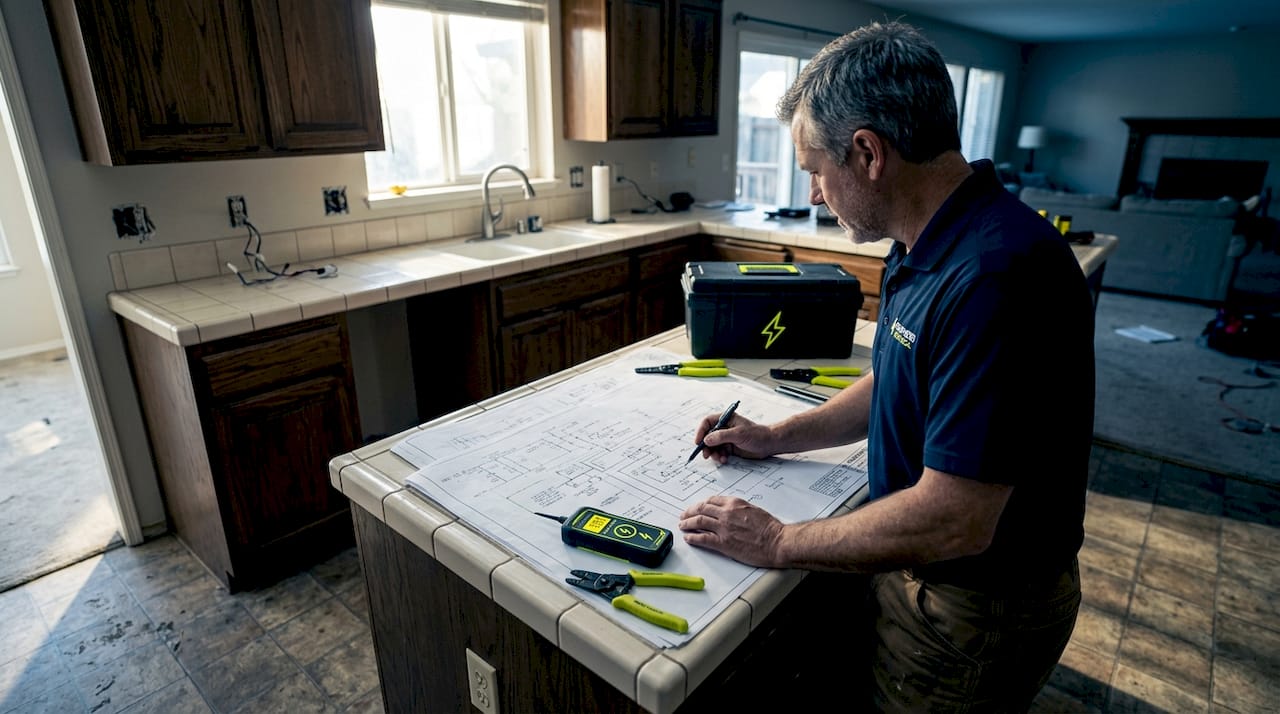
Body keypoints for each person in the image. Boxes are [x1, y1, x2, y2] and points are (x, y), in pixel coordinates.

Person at [677, 21, 1095, 712]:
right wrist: (778, 437)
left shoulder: (996, 277)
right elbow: (900, 377)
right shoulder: (925, 235)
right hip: (921, 573)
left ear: (869, 152)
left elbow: (956, 519)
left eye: (816, 169)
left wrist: (779, 540)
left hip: (973, 607)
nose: (813, 193)